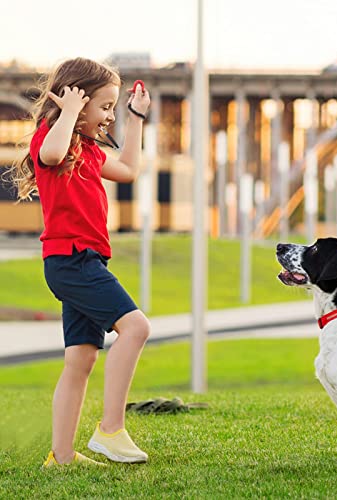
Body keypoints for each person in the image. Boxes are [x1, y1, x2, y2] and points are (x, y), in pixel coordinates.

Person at [8, 57, 151, 467]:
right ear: (77, 101)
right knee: (136, 327)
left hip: (88, 261)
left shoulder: (87, 150)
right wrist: (68, 113)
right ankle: (111, 430)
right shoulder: (51, 140)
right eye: (105, 107)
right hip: (70, 261)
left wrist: (135, 118)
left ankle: (63, 456)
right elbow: (51, 155)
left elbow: (126, 168)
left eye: (112, 108)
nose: (109, 116)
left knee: (82, 358)